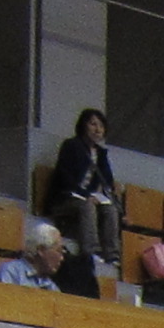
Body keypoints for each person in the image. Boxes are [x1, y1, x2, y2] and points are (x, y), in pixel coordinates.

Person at [43, 107, 122, 270]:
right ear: (83, 126)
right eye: (93, 124)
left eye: (101, 126)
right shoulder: (71, 146)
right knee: (87, 205)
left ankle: (112, 255)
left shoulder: (101, 154)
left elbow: (107, 180)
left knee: (110, 209)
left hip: (88, 197)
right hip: (65, 198)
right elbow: (64, 177)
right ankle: (91, 252)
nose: (97, 129)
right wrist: (85, 195)